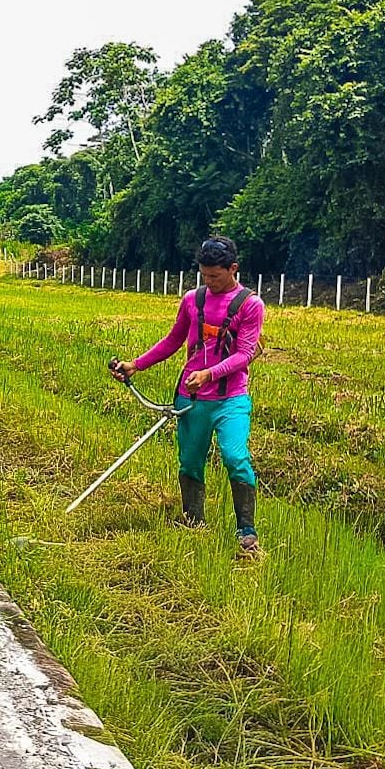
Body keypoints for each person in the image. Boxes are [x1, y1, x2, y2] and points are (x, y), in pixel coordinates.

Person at [109, 236, 265, 555]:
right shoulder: (192, 300)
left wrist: (210, 374)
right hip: (190, 399)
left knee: (235, 457)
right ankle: (193, 522)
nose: (209, 282)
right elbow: (172, 341)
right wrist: (135, 365)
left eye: (216, 276)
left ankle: (247, 534)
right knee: (190, 462)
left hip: (230, 399)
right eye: (204, 275)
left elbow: (246, 353)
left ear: (233, 269)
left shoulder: (251, 305)